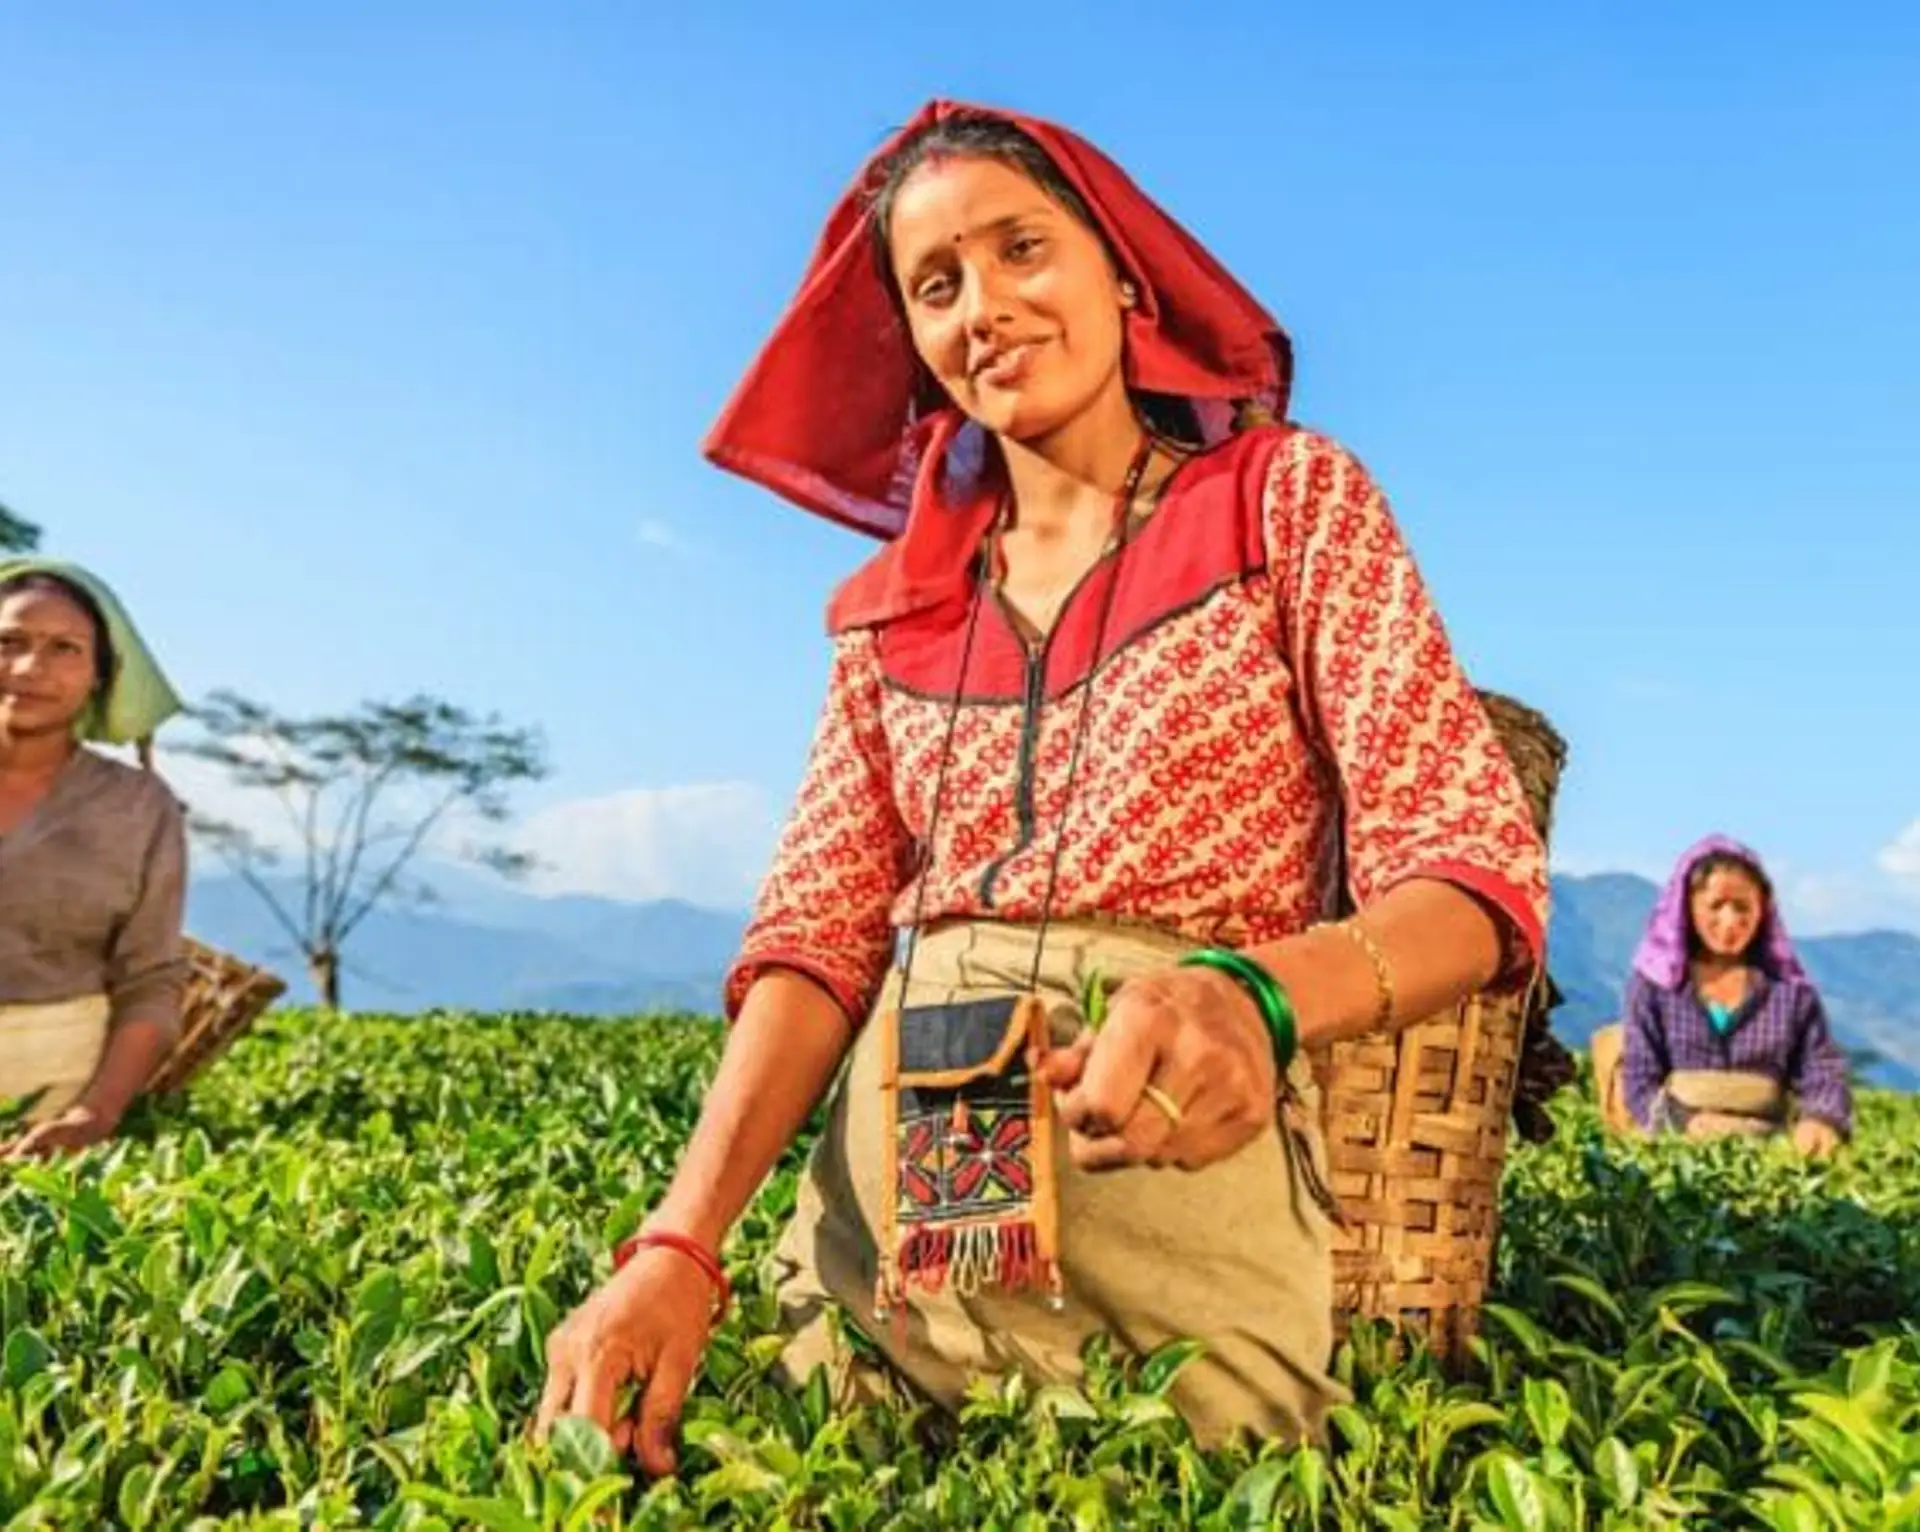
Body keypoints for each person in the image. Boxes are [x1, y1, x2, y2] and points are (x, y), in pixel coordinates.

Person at [537, 100, 1547, 1471]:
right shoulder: (887, 616)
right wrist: (678, 1247)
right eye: (937, 284)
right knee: (850, 1475)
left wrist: (1253, 994)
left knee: (1177, 1476)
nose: (986, 308)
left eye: (1023, 250)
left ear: (1122, 279)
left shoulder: (1284, 506)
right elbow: (817, 946)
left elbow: (1474, 874)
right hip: (887, 1245)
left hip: (1176, 1215)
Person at [0, 558, 189, 1158]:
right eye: (10, 642)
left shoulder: (137, 808)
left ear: (101, 677)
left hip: (47, 1086)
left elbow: (151, 982)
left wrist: (94, 1114)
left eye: (65, 649)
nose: (30, 668)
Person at [1619, 834, 1851, 1154]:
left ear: (1762, 910)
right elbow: (1639, 1080)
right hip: (1675, 1149)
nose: (1730, 921)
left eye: (1743, 907)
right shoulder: (1654, 987)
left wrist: (1821, 1118)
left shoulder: (1790, 994)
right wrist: (1684, 1123)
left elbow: (1821, 1069)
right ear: (1688, 909)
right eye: (1715, 905)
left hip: (1769, 1148)